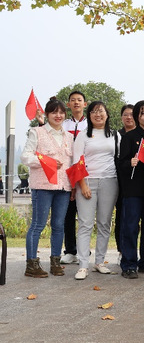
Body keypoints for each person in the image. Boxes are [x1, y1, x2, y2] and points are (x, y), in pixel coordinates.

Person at [21, 97, 74, 278]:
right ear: (47, 114)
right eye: (54, 112)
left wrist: (74, 186)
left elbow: (72, 163)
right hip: (42, 186)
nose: (58, 115)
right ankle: (31, 264)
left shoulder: (69, 137)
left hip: (63, 187)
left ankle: (55, 262)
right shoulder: (37, 132)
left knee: (59, 225)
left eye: (61, 112)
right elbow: (25, 157)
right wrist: (46, 162)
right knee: (38, 225)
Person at [73, 101, 119, 280]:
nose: (98, 114)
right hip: (87, 182)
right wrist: (83, 184)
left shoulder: (115, 135)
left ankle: (99, 262)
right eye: (93, 112)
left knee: (104, 223)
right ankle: (83, 265)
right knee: (85, 223)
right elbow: (77, 161)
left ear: (107, 114)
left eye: (101, 111)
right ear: (89, 115)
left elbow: (119, 158)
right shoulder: (83, 135)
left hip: (110, 181)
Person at [118, 100, 144, 279]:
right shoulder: (129, 137)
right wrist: (130, 163)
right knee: (130, 227)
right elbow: (120, 164)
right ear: (137, 116)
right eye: (143, 113)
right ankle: (128, 264)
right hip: (133, 190)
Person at [60, 90, 88, 265]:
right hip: (67, 174)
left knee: (85, 216)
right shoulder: (63, 124)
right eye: (73, 100)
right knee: (68, 215)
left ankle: (84, 251)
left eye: (79, 100)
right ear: (68, 104)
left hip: (86, 174)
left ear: (85, 104)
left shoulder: (90, 124)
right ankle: (70, 250)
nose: (76, 102)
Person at [114, 104, 136, 257]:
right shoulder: (115, 135)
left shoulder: (142, 135)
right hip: (118, 180)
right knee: (121, 216)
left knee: (134, 219)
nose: (129, 117)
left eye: (132, 114)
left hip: (137, 182)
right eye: (125, 115)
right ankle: (121, 250)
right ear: (121, 117)